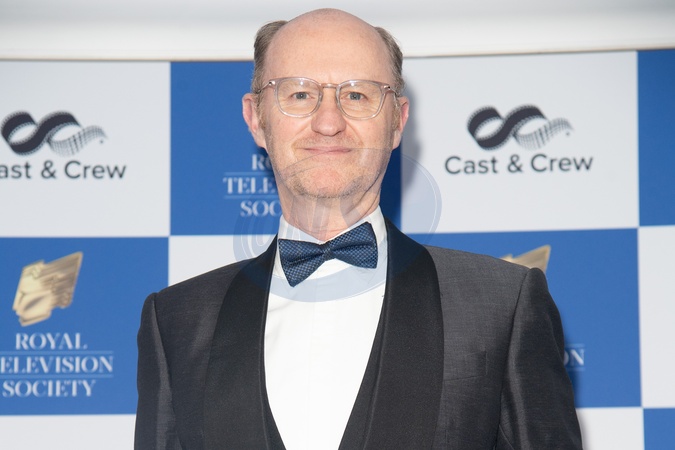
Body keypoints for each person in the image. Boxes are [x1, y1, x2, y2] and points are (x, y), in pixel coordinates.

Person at [135, 8, 583, 450]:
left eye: (357, 96)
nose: (328, 123)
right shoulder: (176, 322)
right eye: (299, 94)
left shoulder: (502, 307)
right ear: (256, 119)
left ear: (397, 122)